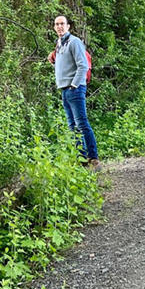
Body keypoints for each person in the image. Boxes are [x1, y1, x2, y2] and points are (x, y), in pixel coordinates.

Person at [48, 16, 101, 172]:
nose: (59, 27)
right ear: (54, 27)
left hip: (74, 89)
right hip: (64, 89)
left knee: (82, 123)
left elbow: (82, 65)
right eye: (57, 24)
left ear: (68, 26)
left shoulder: (74, 42)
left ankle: (94, 158)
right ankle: (81, 159)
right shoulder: (59, 44)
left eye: (62, 24)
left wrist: (74, 84)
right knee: (73, 126)